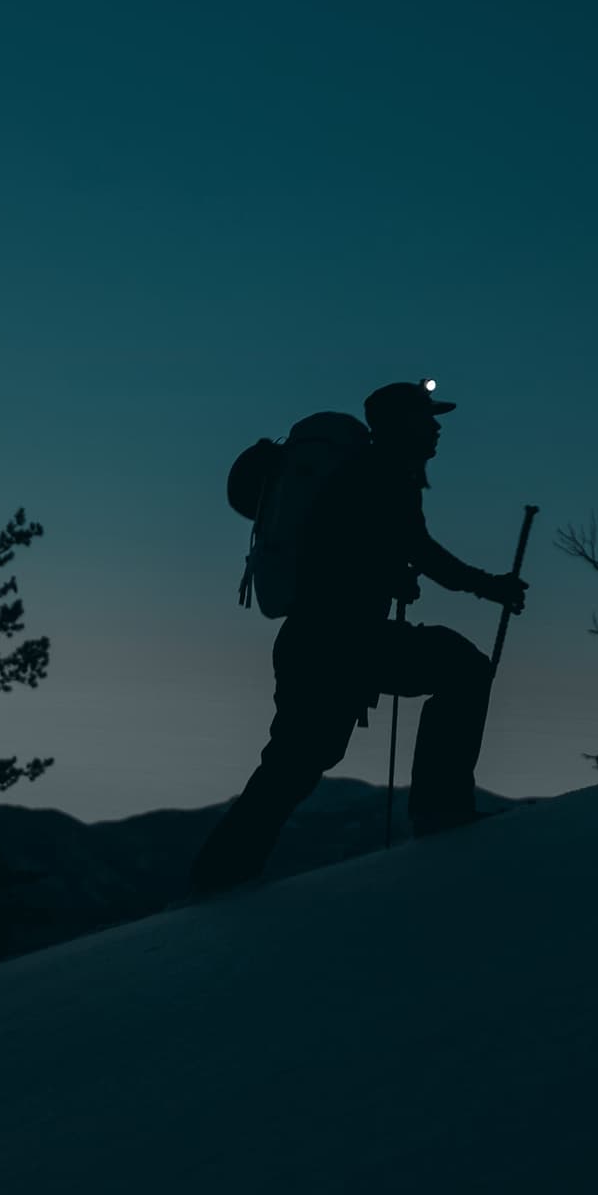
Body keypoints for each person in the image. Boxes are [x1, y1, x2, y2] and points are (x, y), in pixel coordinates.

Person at [188, 380, 527, 897]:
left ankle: (218, 875)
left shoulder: (372, 473)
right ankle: (439, 811)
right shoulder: (381, 472)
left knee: (295, 763)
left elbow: (361, 548)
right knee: (458, 669)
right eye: (426, 417)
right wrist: (489, 586)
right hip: (338, 642)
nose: (436, 427)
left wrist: (387, 574)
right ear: (399, 423)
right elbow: (417, 549)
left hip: (324, 642)